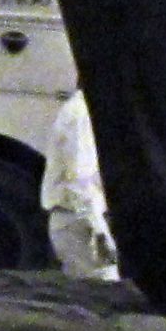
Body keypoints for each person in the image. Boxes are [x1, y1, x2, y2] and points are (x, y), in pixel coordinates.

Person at [43, 88, 115, 279]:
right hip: (79, 224)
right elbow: (79, 182)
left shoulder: (83, 111)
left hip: (78, 221)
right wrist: (98, 230)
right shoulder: (82, 115)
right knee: (102, 294)